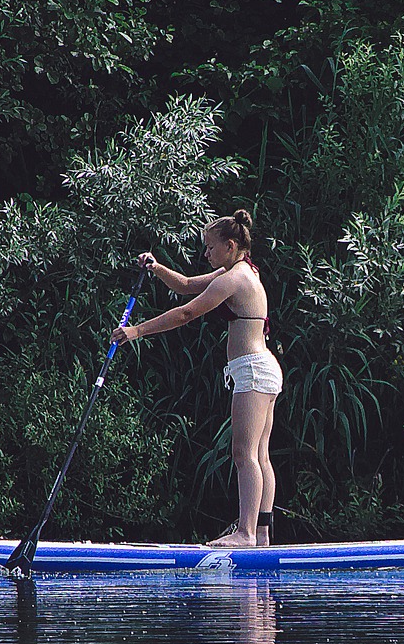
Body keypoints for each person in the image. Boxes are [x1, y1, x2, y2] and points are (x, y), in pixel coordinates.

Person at [111, 210, 283, 548]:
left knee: (244, 453)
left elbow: (187, 312)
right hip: (260, 368)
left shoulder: (236, 279)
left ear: (231, 245)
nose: (206, 254)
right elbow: (187, 286)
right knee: (259, 454)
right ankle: (261, 535)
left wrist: (136, 331)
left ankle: (247, 533)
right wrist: (157, 268)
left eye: (210, 248)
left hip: (252, 369)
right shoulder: (236, 272)